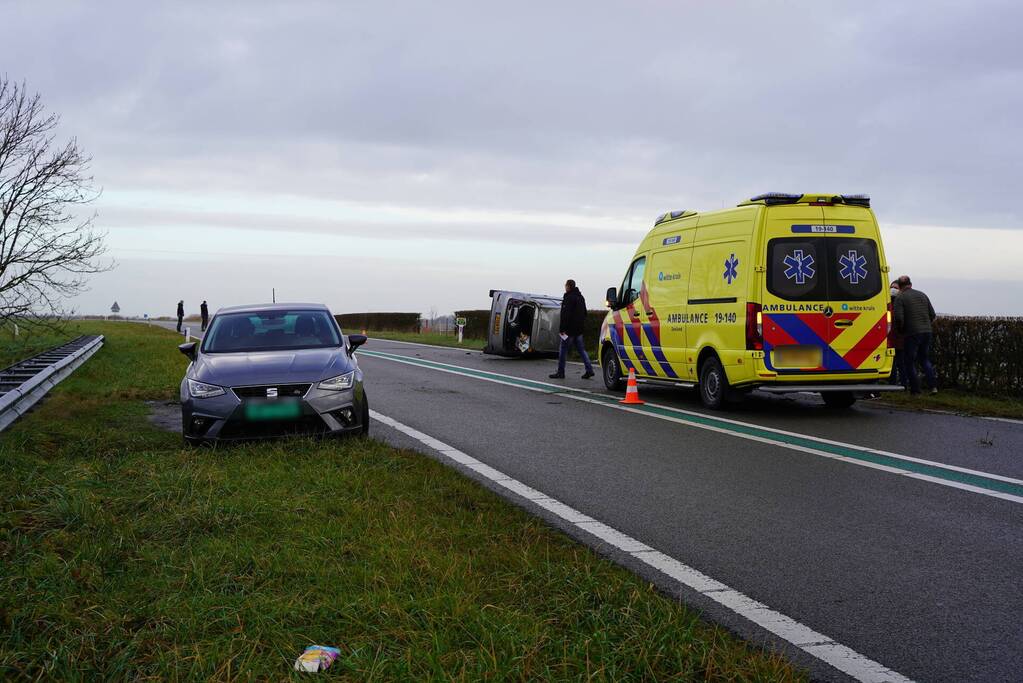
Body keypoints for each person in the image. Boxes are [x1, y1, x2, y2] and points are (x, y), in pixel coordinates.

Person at [893, 275, 937, 395]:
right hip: (927, 331)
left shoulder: (900, 298)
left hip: (912, 333)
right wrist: (926, 325)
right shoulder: (922, 295)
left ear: (899, 287)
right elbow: (932, 314)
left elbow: (899, 318)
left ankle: (915, 390)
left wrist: (901, 331)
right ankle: (933, 387)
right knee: (924, 359)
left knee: (909, 361)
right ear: (910, 284)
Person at [550, 279, 594, 380]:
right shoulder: (581, 297)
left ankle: (560, 372)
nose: (565, 287)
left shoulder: (568, 298)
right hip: (579, 330)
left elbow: (565, 315)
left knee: (563, 350)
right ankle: (589, 370)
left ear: (569, 286)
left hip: (569, 330)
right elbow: (585, 313)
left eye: (565, 285)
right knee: (581, 350)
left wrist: (562, 329)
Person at [887, 281, 906, 387]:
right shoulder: (888, 304)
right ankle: (894, 383)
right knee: (894, 363)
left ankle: (902, 383)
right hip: (892, 339)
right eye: (892, 287)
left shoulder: (901, 304)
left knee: (901, 363)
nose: (893, 290)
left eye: (895, 288)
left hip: (899, 338)